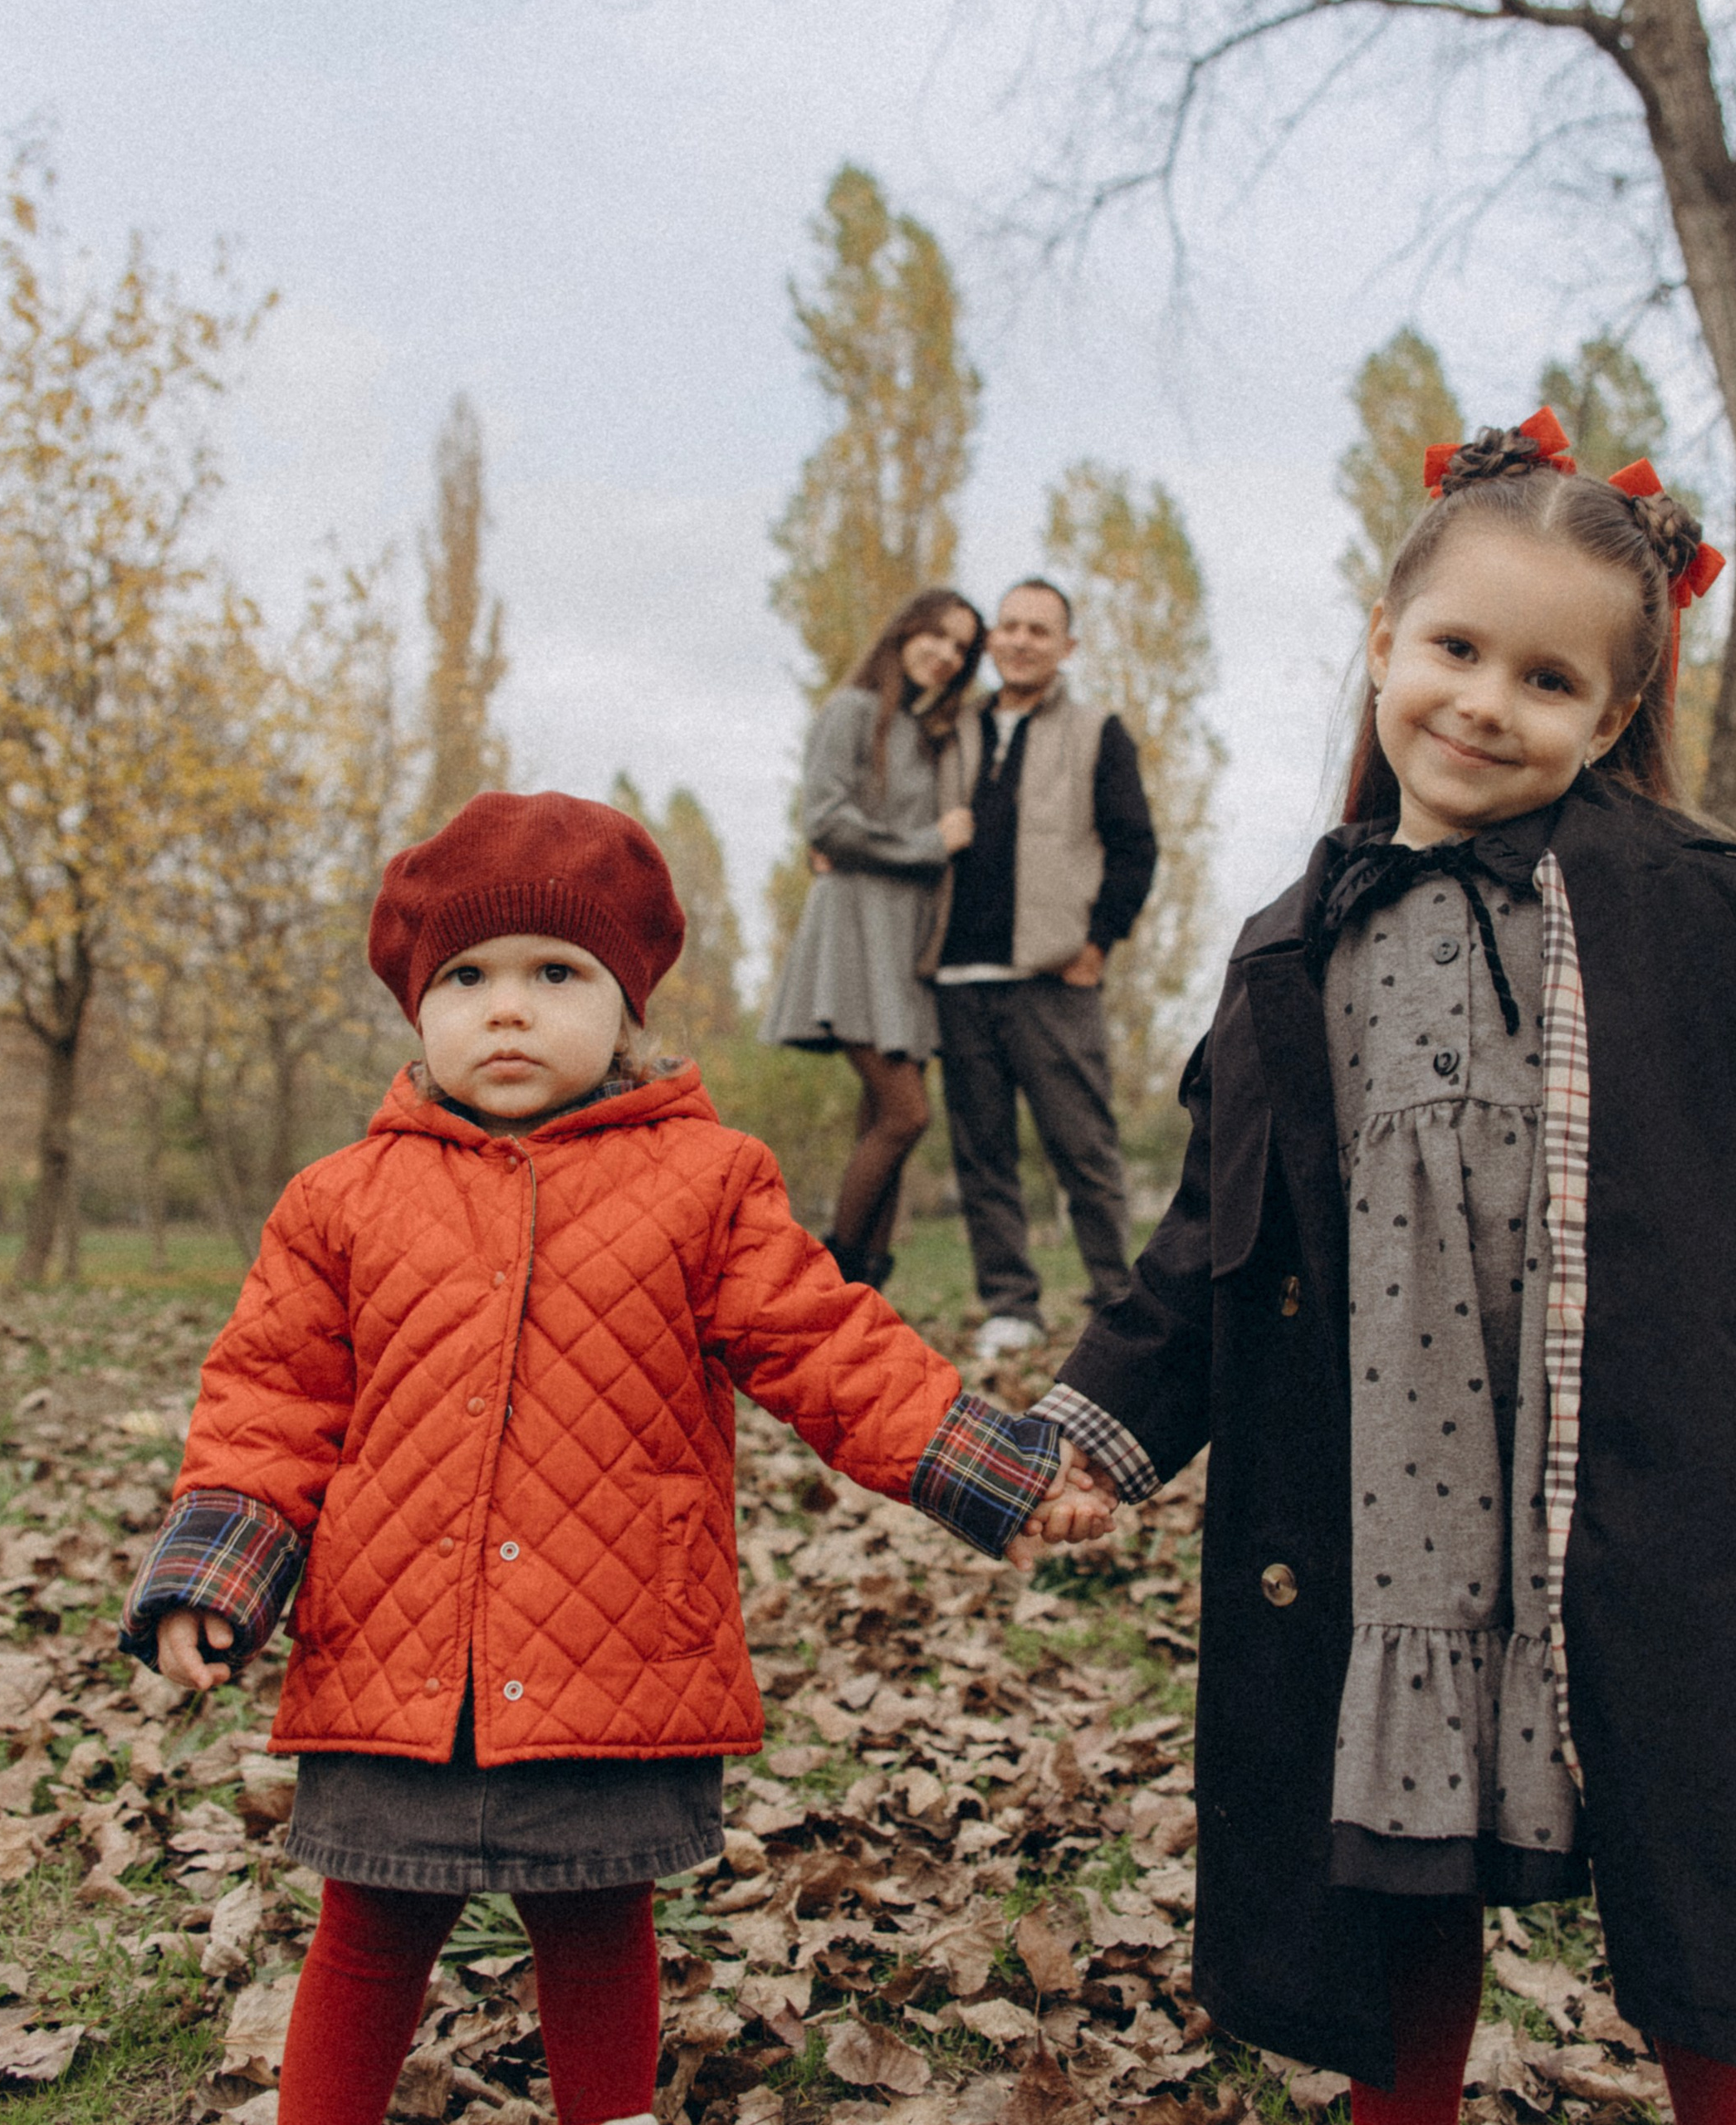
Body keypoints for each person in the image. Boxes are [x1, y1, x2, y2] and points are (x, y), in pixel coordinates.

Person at [1031, 413, 1736, 2122]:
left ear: (1609, 719)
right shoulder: (1291, 944)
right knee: (1393, 1867)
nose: (1480, 702)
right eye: (1452, 648)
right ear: (1381, 645)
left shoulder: (1692, 913)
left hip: (1643, 1484)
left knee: (1697, 1846)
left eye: (1543, 680)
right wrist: (1092, 1427)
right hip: (1392, 1506)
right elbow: (1208, 1242)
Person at [116, 791, 1109, 2125]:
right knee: (370, 1927)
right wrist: (218, 1574)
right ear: (419, 1009)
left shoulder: (705, 1182)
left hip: (614, 1643)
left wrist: (1001, 1470)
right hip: (394, 1648)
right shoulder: (341, 1202)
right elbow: (270, 1404)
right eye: (466, 978)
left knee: (594, 1922)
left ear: (627, 1006)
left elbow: (834, 1350)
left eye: (555, 974)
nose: (507, 1008)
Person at [934, 578, 1158, 1362]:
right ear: (991, 641)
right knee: (982, 1151)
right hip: (957, 978)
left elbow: (1136, 847)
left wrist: (1097, 944)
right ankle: (1010, 1307)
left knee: (1083, 1147)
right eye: (1010, 626)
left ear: (1066, 647)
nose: (1022, 639)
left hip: (1052, 979)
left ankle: (1114, 1303)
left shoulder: (1099, 732)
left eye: (1041, 629)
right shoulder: (952, 729)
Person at [763, 589, 986, 1292]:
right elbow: (826, 821)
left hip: (904, 944)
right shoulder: (852, 710)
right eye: (938, 637)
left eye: (960, 648)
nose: (946, 655)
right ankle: (827, 1277)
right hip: (855, 928)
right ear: (904, 629)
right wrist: (930, 842)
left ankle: (864, 1299)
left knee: (879, 1120)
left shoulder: (930, 731)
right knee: (905, 1113)